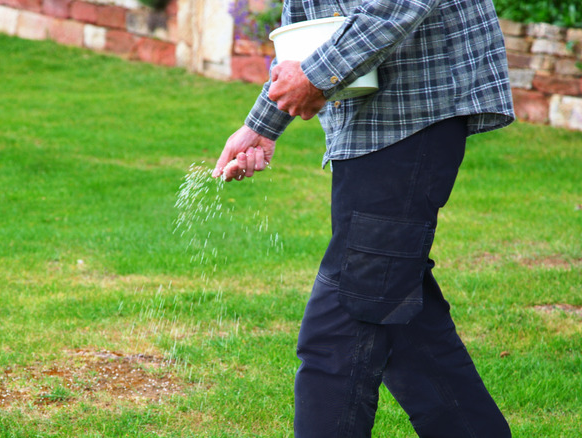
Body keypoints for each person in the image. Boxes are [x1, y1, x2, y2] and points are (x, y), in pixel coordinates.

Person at [212, 0, 515, 437]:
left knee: (341, 325)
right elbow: (305, 25)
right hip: (364, 127)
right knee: (399, 314)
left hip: (412, 115)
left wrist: (316, 76)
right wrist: (263, 124)